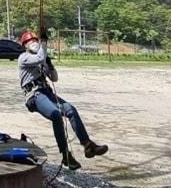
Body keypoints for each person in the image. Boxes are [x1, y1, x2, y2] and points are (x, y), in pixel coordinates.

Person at [18, 29, 107, 171]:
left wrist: (50, 66)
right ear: (25, 45)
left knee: (70, 109)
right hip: (34, 95)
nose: (34, 43)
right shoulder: (24, 58)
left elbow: (54, 78)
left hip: (46, 92)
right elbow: (39, 57)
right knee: (56, 115)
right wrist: (44, 43)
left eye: (35, 41)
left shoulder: (41, 59)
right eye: (30, 42)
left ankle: (88, 145)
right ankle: (65, 155)